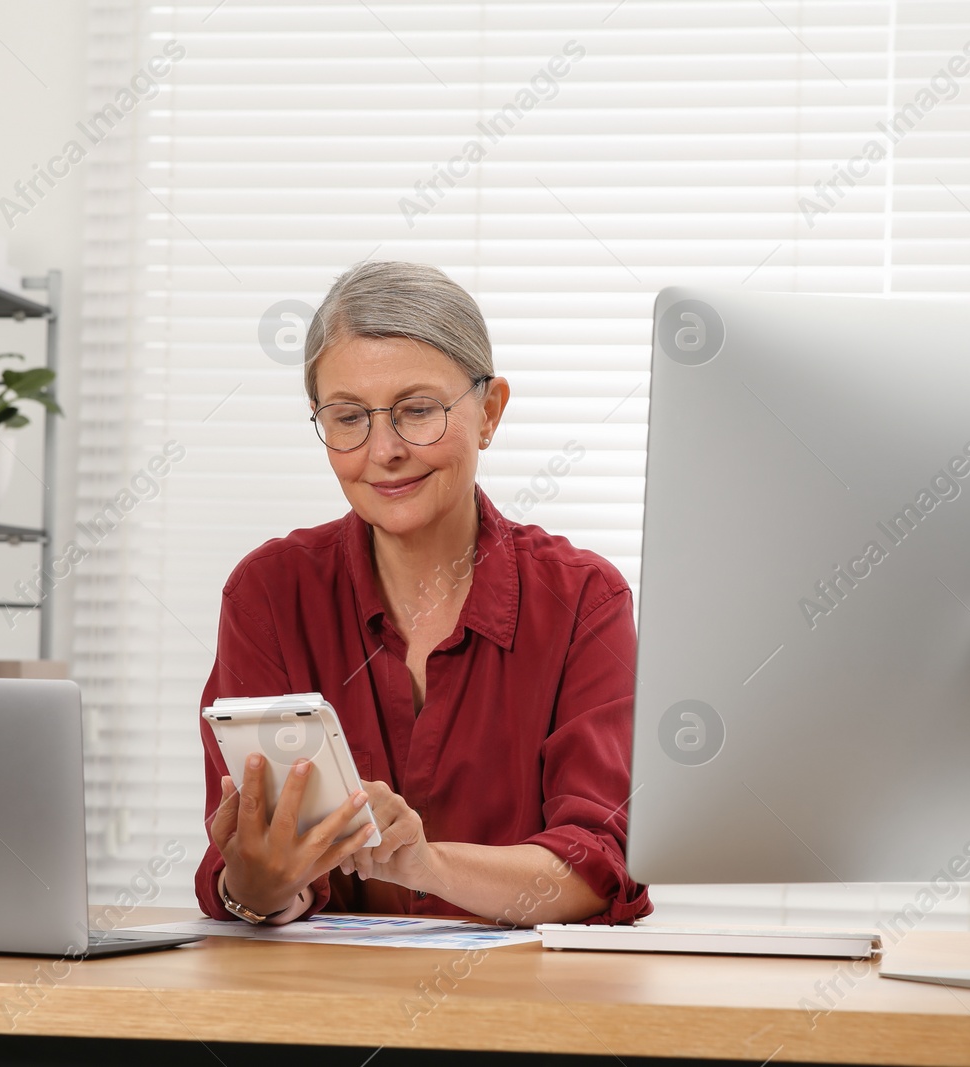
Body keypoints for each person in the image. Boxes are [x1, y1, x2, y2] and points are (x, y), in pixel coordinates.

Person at [194, 261, 650, 927]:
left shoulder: (585, 600)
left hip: (522, 1014)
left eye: (417, 411)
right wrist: (257, 884)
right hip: (316, 1014)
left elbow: (596, 869)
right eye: (348, 417)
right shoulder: (267, 594)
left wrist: (421, 861)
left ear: (489, 412)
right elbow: (246, 869)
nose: (383, 450)